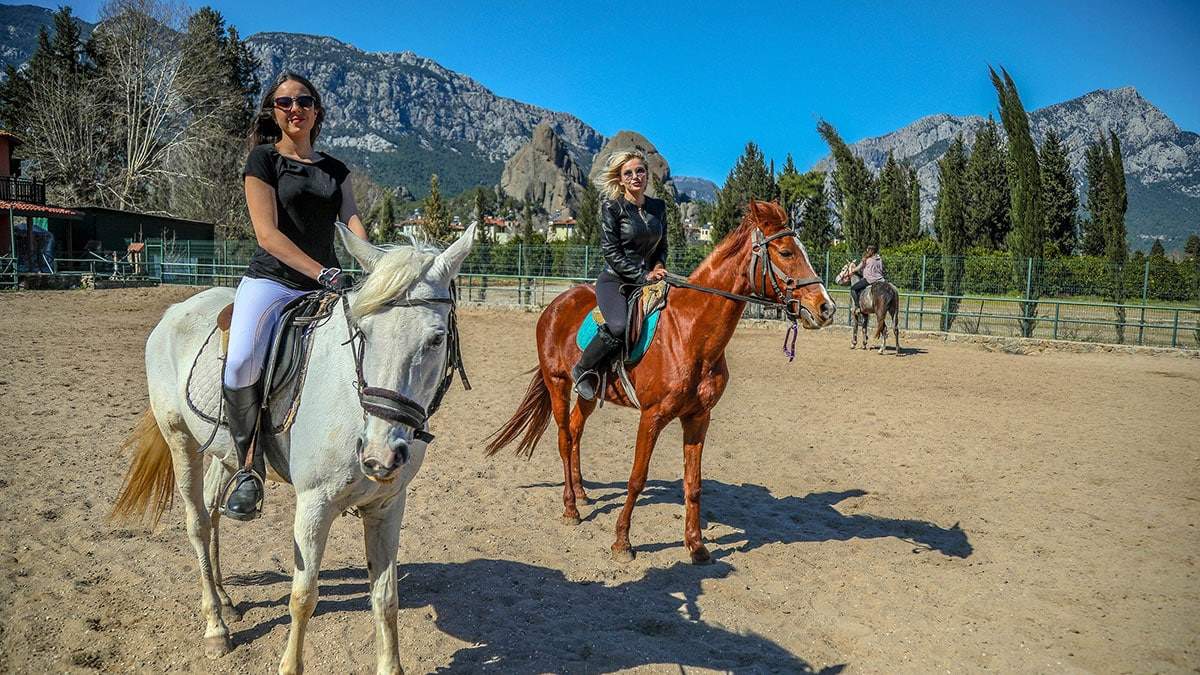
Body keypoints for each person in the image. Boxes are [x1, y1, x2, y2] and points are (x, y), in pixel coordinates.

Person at [222, 72, 370, 521]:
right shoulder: (263, 160)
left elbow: (352, 222)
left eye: (303, 101)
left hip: (327, 285)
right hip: (273, 282)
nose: (294, 109)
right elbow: (267, 235)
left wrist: (373, 264)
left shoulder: (335, 170)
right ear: (274, 112)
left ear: (316, 110)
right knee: (241, 360)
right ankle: (248, 468)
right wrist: (322, 272)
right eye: (284, 102)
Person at [572, 151, 668, 400]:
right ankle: (583, 368)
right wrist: (643, 276)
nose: (636, 177)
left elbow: (662, 247)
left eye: (640, 171)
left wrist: (658, 266)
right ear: (621, 179)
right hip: (615, 280)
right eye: (629, 173)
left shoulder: (658, 208)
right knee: (618, 326)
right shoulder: (612, 208)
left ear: (647, 175)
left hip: (650, 279)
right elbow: (611, 253)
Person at [849, 244, 884, 309]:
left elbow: (857, 268)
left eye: (867, 250)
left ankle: (857, 306)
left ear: (869, 251)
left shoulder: (866, 259)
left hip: (869, 280)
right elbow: (881, 269)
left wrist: (852, 269)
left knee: (853, 289)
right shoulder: (879, 259)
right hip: (881, 280)